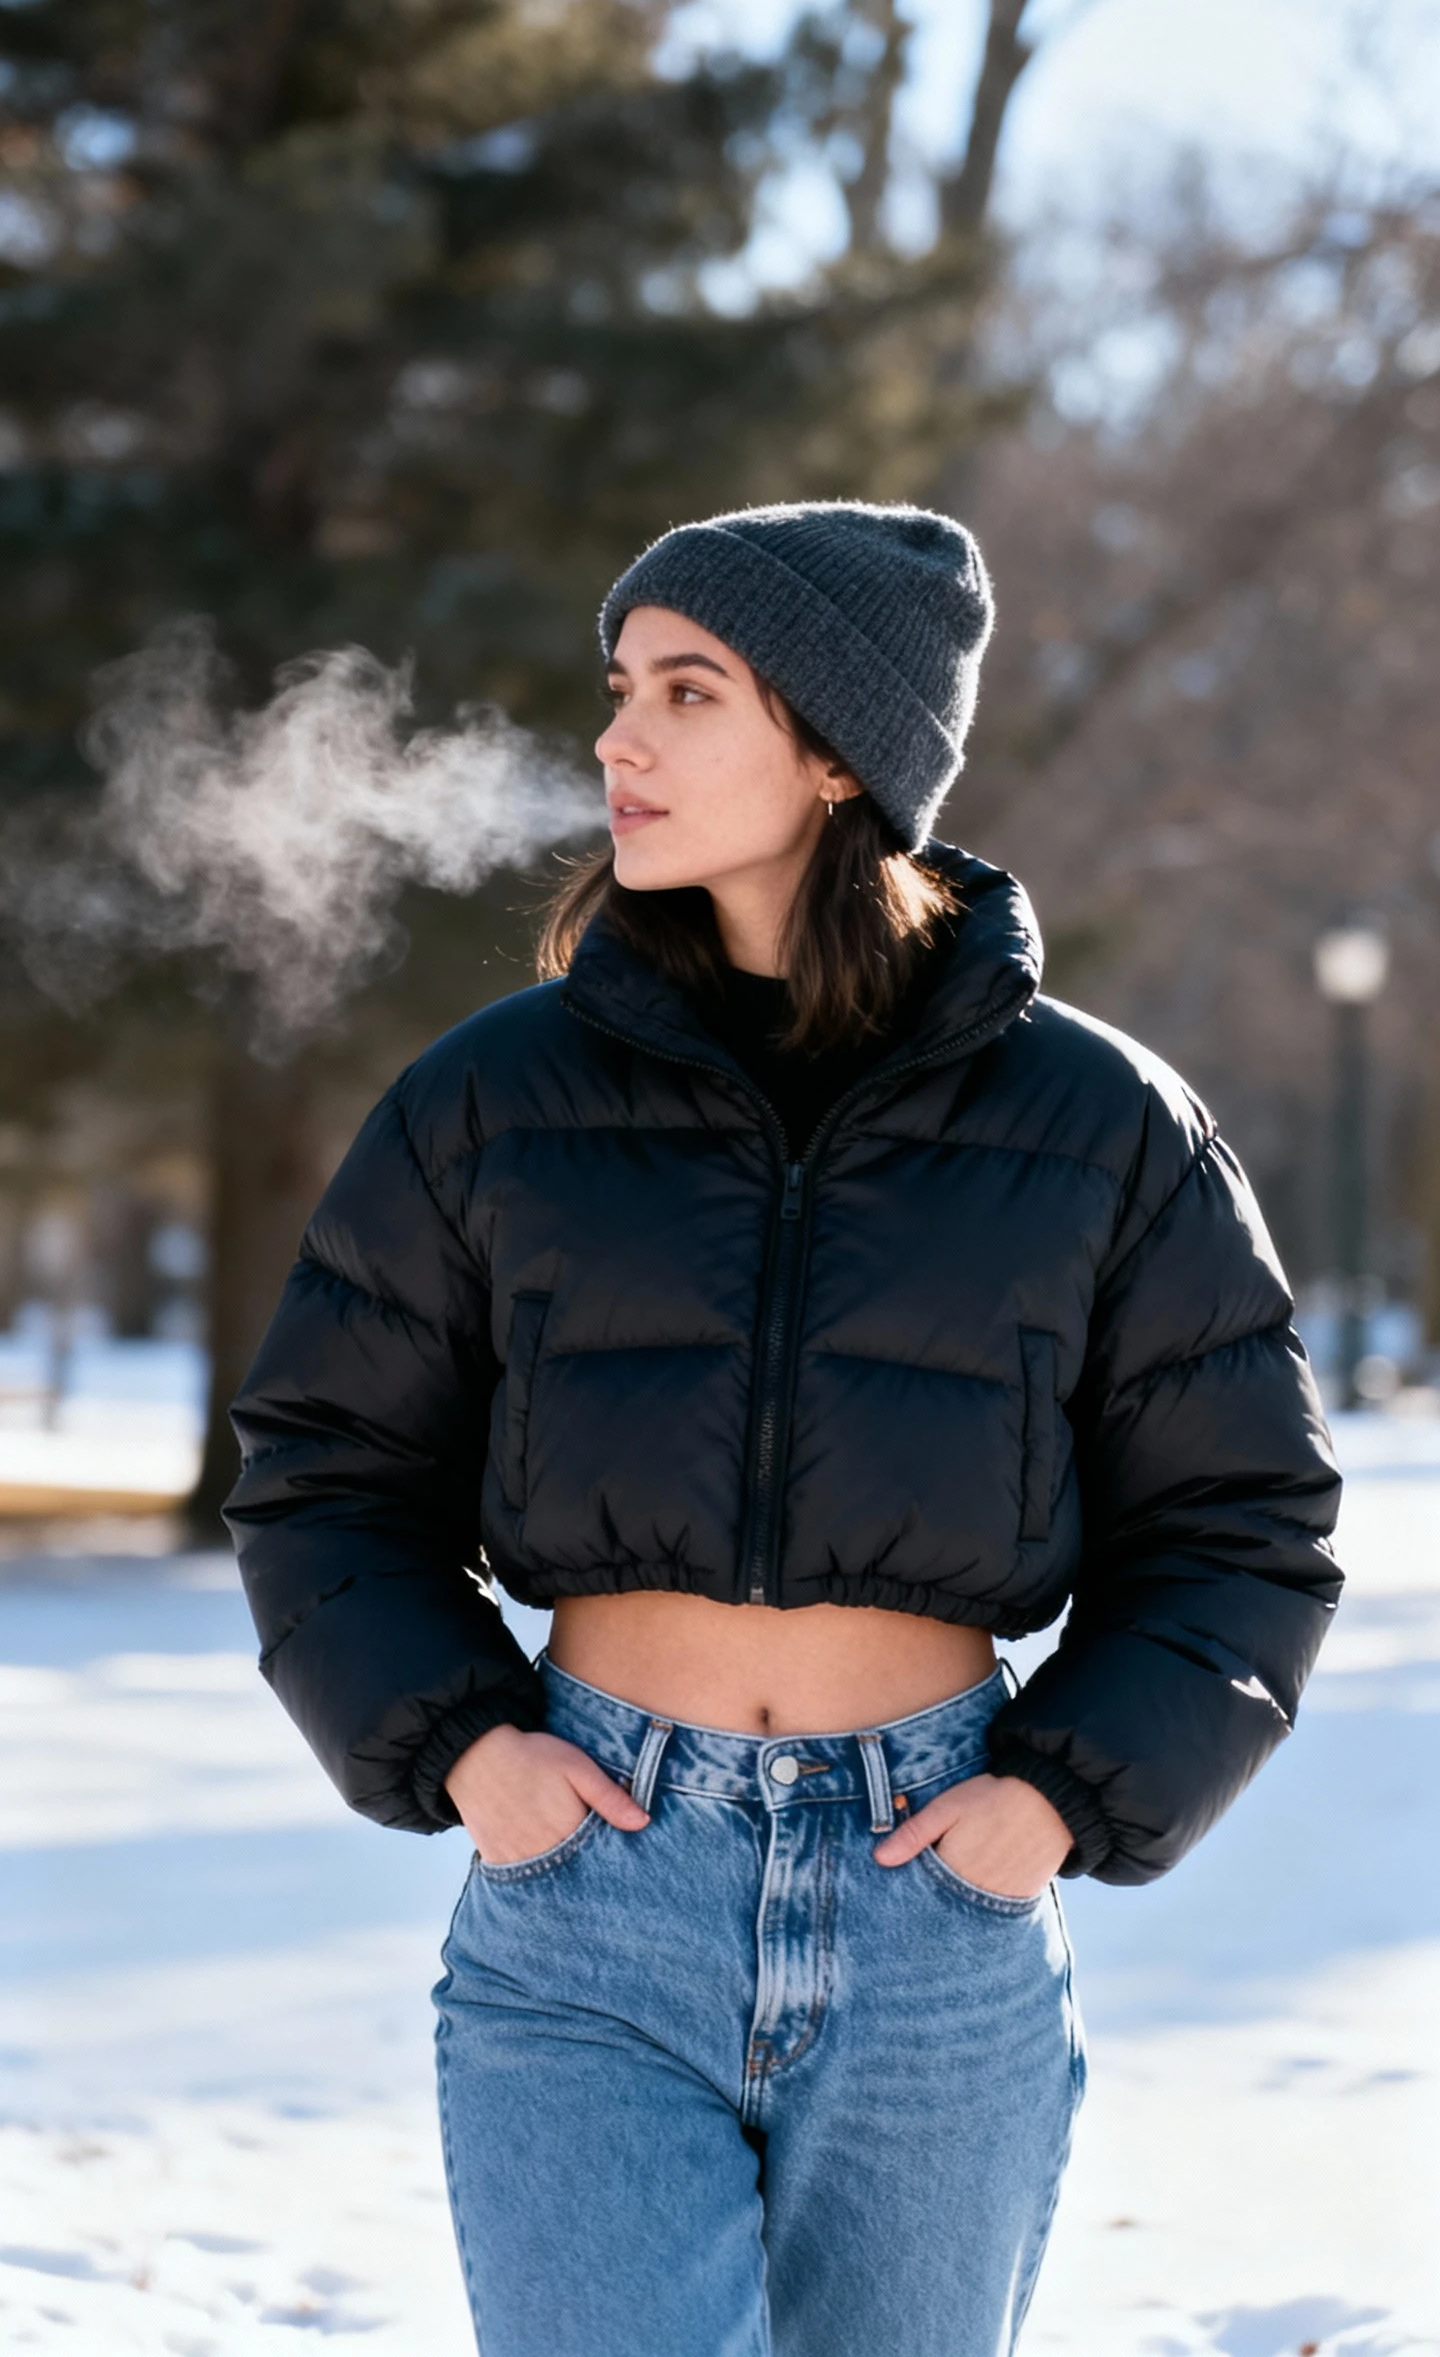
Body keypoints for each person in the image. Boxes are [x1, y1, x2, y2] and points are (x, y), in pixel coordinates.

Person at [225, 500, 1343, 2357]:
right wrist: (463, 1748)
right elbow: (326, 1469)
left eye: (688, 691)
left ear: (838, 753)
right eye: (618, 691)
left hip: (936, 1906)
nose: (617, 742)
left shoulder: (1100, 1122)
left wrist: (1060, 1800)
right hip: (590, 1889)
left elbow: (1244, 1525)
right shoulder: (496, 1096)